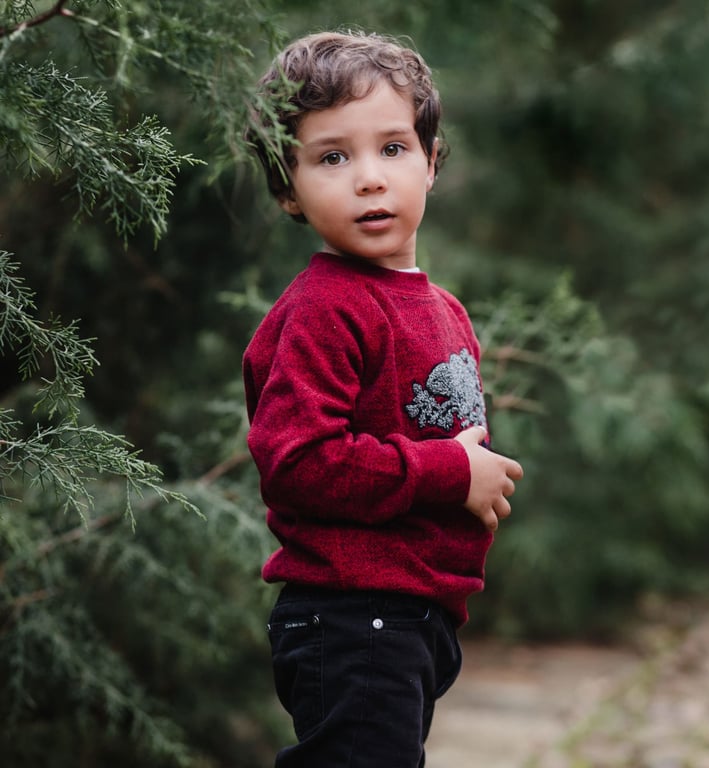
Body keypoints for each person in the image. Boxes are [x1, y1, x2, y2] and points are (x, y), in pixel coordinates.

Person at [243, 29, 523, 768]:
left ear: (430, 163)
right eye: (332, 157)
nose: (369, 178)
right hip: (349, 614)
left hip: (413, 614)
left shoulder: (443, 310)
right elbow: (300, 462)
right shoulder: (325, 310)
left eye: (392, 148)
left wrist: (472, 480)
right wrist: (452, 474)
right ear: (287, 188)